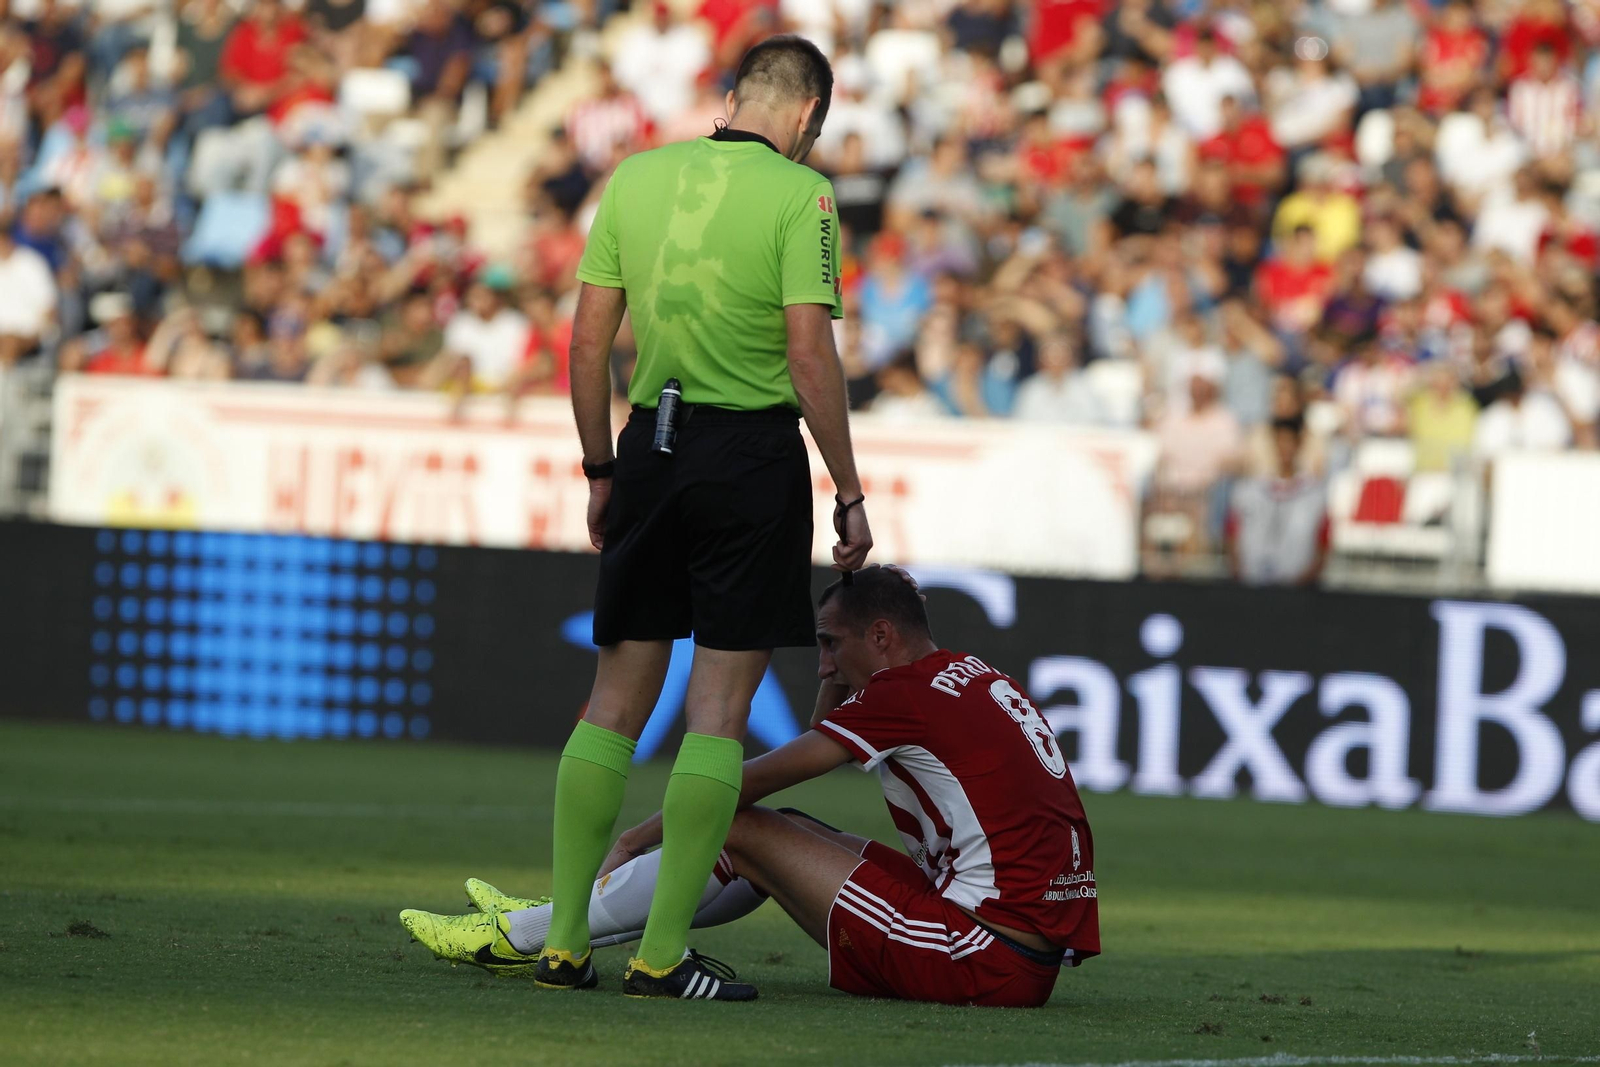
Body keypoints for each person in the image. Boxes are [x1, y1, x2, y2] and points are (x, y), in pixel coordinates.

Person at [545, 35, 871, 1001]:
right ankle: (658, 956)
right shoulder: (804, 198)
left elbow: (588, 342)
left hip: (649, 447)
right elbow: (808, 355)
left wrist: (602, 467)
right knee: (719, 714)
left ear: (735, 97)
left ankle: (563, 943)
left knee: (611, 704)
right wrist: (849, 489)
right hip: (751, 457)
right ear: (807, 115)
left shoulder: (637, 178)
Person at [400, 566, 1099, 1007]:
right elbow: (820, 741)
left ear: (882, 635)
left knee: (736, 824)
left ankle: (523, 935)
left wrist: (639, 834)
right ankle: (563, 917)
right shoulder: (966, 673)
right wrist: (838, 671)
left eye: (831, 643)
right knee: (781, 827)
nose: (823, 662)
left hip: (979, 954)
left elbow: (755, 779)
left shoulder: (904, 695)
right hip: (1010, 944)